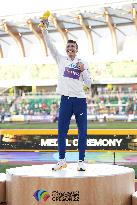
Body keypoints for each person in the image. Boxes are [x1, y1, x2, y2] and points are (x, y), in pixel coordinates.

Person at [41, 24, 92, 171]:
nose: (70, 48)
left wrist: (84, 71)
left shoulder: (83, 63)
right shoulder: (60, 59)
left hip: (80, 101)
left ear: (77, 49)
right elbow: (49, 44)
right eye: (68, 46)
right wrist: (44, 29)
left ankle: (81, 162)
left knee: (82, 131)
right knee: (61, 132)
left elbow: (89, 84)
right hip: (65, 100)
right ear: (66, 49)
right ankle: (62, 161)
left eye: (73, 47)